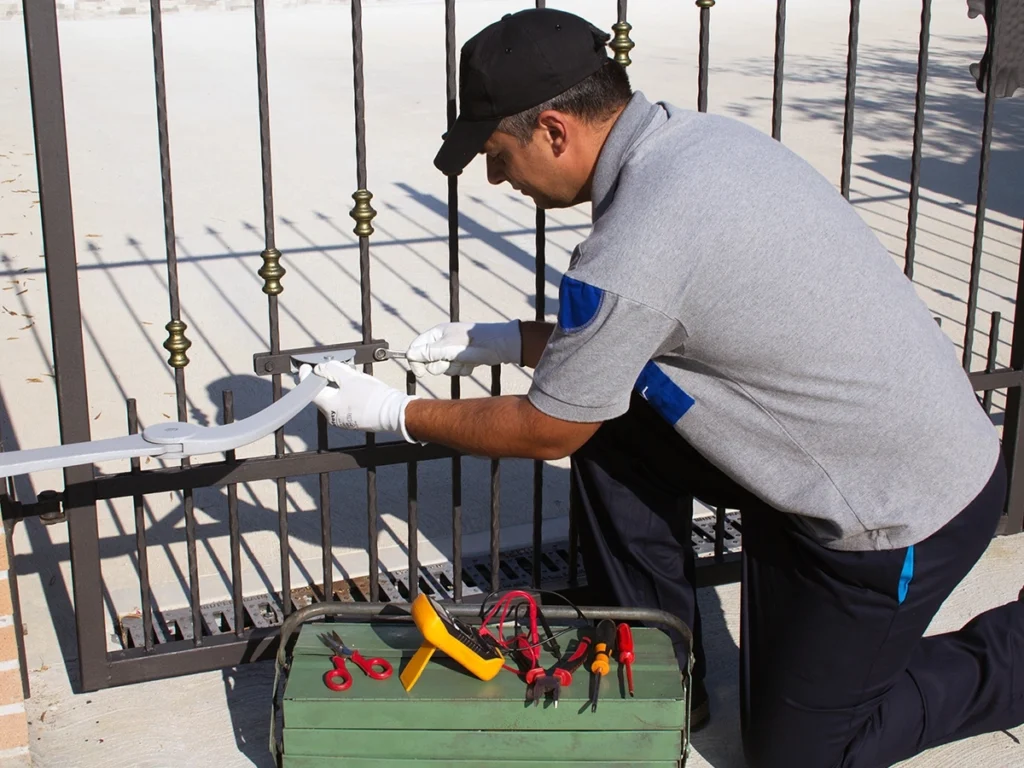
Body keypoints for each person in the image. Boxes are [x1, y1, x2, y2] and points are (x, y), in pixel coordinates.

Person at [298, 8, 1024, 767]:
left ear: (553, 129)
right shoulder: (693, 142)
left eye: (496, 152)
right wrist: (509, 339)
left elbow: (550, 427)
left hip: (896, 513)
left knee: (803, 755)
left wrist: (395, 411)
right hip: (824, 468)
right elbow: (641, 337)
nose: (495, 176)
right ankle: (668, 675)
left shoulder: (640, 238)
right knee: (611, 418)